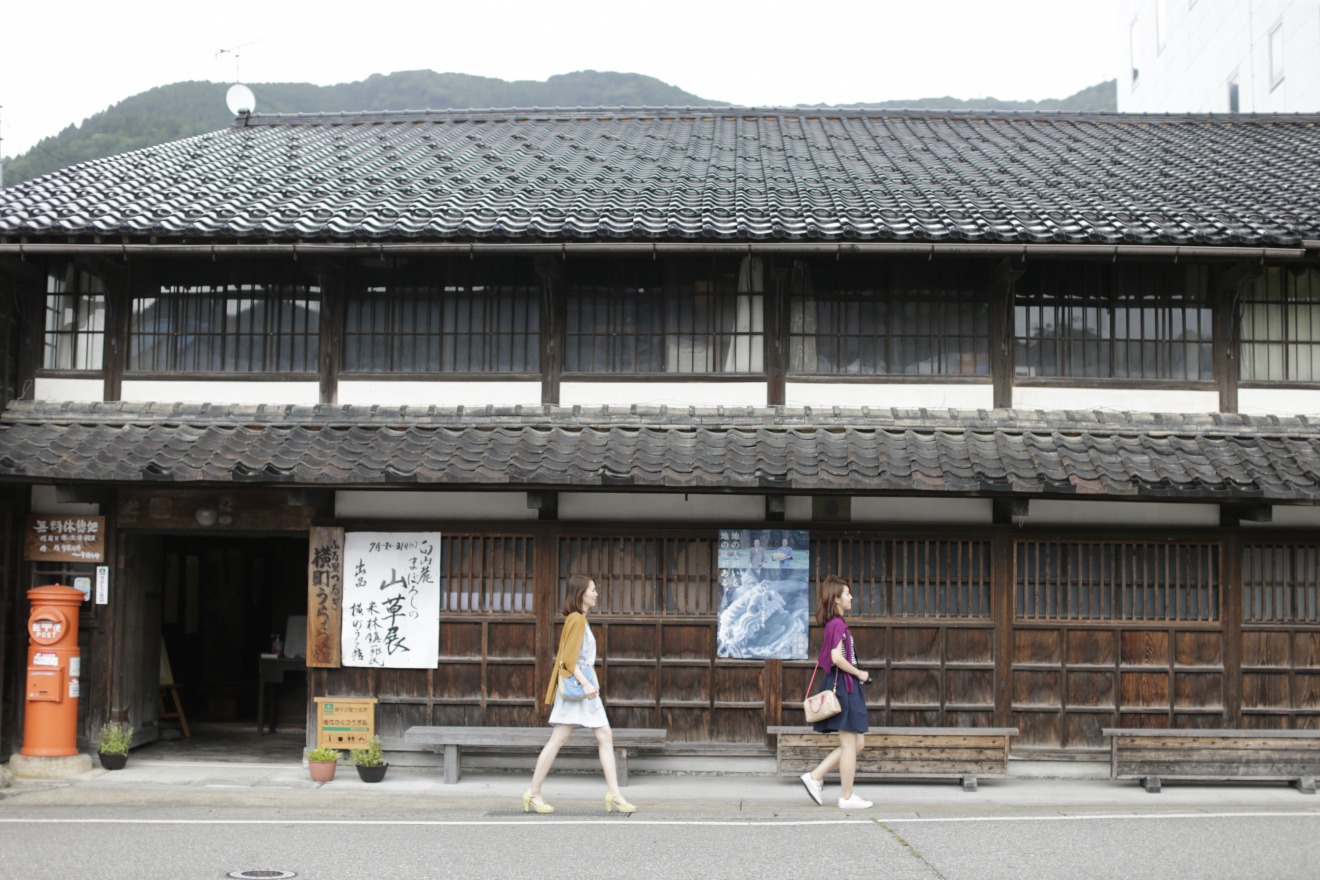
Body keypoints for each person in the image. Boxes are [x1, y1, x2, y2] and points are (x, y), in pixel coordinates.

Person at [523, 574, 637, 814]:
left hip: (581, 688)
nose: (596, 594)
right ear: (581, 594)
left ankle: (614, 794)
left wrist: (588, 683)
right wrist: (586, 684)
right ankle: (533, 793)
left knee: (600, 736)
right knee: (563, 739)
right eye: (592, 590)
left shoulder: (578, 619)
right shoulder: (577, 620)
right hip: (579, 688)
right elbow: (568, 661)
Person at [799, 575, 871, 809]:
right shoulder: (838, 624)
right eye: (847, 593)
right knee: (851, 744)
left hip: (843, 687)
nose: (851, 597)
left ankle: (815, 776)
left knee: (857, 743)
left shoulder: (834, 624)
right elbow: (836, 658)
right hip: (846, 688)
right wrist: (860, 674)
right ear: (837, 599)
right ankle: (847, 797)